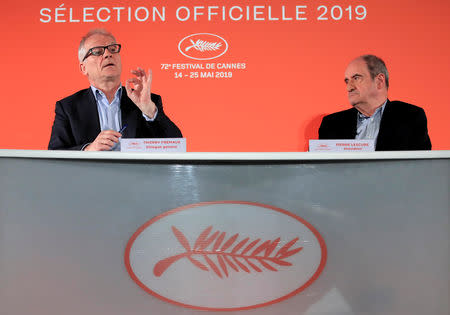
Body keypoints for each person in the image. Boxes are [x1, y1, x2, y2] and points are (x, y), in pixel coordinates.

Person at [48, 29, 182, 151]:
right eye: (97, 51)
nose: (108, 54)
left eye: (113, 49)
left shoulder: (146, 102)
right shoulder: (68, 107)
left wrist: (149, 110)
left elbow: (177, 146)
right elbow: (54, 155)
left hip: (138, 176)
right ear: (83, 68)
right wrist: (88, 150)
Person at [318, 55, 431, 150]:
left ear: (379, 81)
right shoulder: (331, 124)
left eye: (356, 78)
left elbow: (420, 167)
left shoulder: (410, 117)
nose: (349, 87)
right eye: (347, 81)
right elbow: (321, 170)